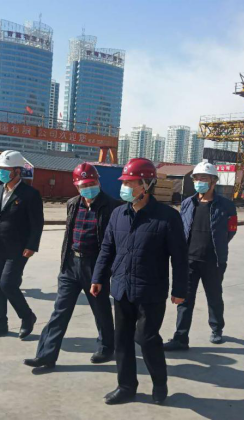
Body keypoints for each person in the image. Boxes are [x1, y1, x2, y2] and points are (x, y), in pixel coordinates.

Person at [90, 158, 189, 406]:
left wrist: (180, 289)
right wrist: (98, 277)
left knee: (146, 339)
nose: (125, 187)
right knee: (122, 340)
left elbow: (179, 257)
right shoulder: (118, 214)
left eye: (130, 183)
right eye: (124, 182)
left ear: (146, 185)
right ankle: (126, 386)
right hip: (121, 288)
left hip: (150, 291)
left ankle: (159, 383)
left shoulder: (167, 217)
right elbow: (107, 248)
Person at [24, 163, 121, 370]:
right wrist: (64, 265)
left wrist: (105, 271)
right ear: (77, 186)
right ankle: (46, 355)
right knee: (60, 311)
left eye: (92, 183)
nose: (88, 188)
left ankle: (106, 346)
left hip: (95, 266)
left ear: (98, 182)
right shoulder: (73, 204)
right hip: (71, 265)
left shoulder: (113, 207)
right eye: (84, 185)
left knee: (101, 309)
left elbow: (113, 242)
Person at [164, 161, 238, 352]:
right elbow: (181, 229)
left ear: (214, 181)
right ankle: (180, 338)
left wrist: (217, 246)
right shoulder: (188, 203)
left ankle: (217, 329)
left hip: (213, 261)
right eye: (196, 179)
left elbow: (231, 231)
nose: (199, 182)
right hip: (188, 261)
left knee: (214, 297)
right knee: (184, 300)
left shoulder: (227, 206)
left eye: (203, 178)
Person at [0, 150, 44, 341]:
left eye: (6, 170)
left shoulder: (30, 194)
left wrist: (32, 246)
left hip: (18, 249)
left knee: (8, 284)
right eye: (0, 169)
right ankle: (0, 323)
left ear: (17, 171)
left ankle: (27, 316)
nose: (2, 173)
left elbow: (37, 224)